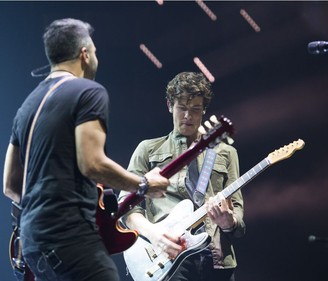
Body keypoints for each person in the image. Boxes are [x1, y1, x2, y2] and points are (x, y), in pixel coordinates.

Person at [3, 18, 169, 281]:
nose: (96, 59)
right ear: (84, 54)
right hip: (71, 237)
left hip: (33, 244)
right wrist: (144, 184)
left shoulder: (27, 106)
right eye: (95, 52)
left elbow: (10, 185)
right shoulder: (87, 92)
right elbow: (92, 164)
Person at [120, 72, 246, 281]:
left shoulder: (225, 152)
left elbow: (238, 214)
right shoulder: (147, 150)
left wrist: (229, 222)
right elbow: (127, 207)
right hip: (166, 258)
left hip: (216, 260)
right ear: (169, 105)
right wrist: (154, 234)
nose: (188, 116)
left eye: (195, 109)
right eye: (182, 108)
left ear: (204, 110)